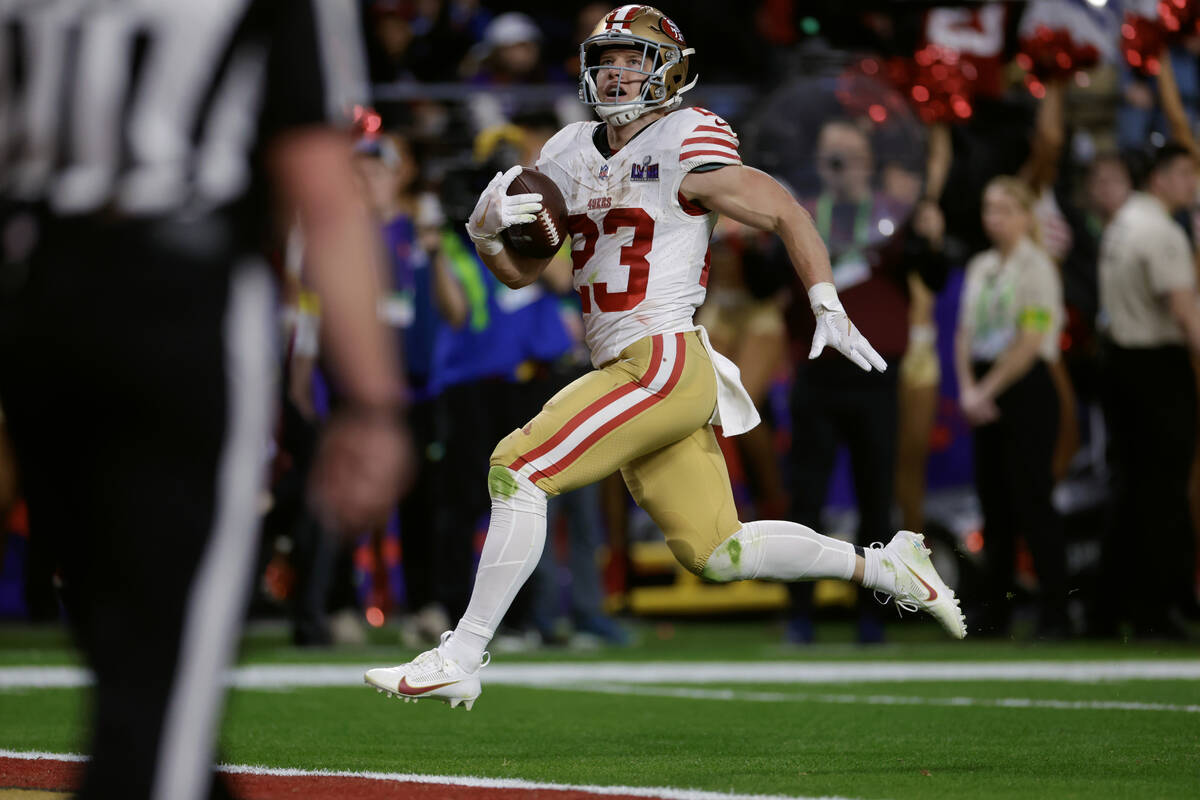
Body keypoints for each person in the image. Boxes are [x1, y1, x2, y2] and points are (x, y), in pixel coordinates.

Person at [364, 4, 965, 711]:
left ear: (669, 70)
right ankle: (885, 566)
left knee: (516, 466)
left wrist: (827, 301)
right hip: (622, 363)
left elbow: (783, 209)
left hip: (661, 358)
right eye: (607, 58)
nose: (616, 72)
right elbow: (525, 275)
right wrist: (488, 233)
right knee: (720, 552)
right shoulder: (565, 150)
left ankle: (463, 653)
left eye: (634, 58)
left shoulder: (688, 136)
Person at [0, 3, 411, 799]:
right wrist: (370, 405)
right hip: (177, 306)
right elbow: (322, 191)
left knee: (124, 656)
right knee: (158, 698)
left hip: (35, 307)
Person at [954, 177, 1069, 638]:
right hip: (983, 384)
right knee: (994, 503)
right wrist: (967, 388)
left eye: (1004, 210)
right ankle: (995, 611)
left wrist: (987, 391)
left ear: (1025, 217)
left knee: (1032, 499)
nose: (993, 219)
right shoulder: (982, 265)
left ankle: (1055, 611)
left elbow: (1031, 339)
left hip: (1024, 387)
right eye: (988, 208)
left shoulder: (1037, 266)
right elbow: (964, 333)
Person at [1095, 143, 1200, 638]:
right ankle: (1156, 610)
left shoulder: (1123, 220)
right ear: (1158, 177)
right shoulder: (1160, 231)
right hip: (1158, 367)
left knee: (1131, 488)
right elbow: (1185, 314)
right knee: (1162, 492)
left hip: (1120, 363)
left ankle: (1110, 608)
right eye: (1182, 172)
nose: (1190, 182)